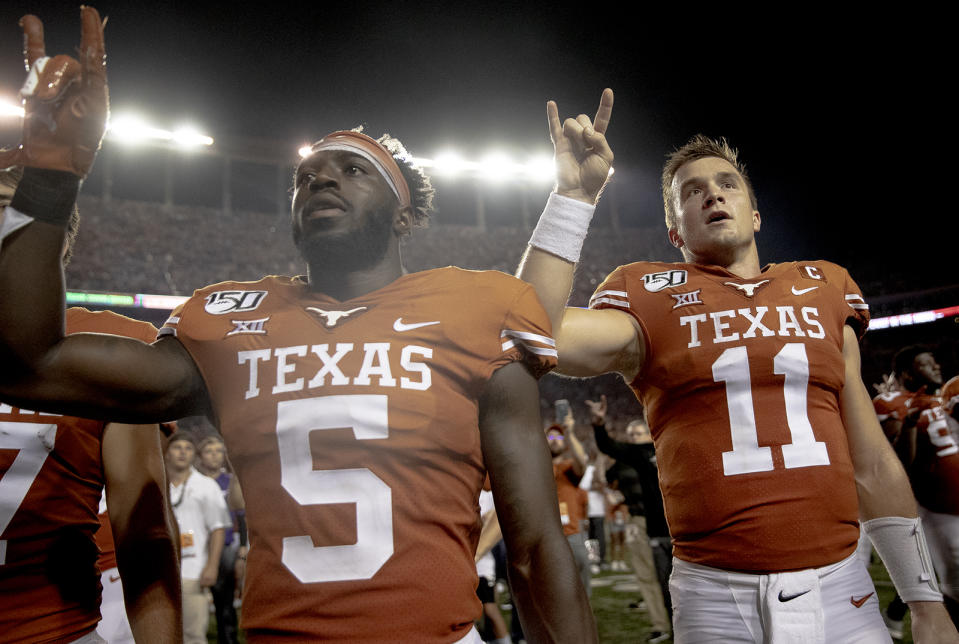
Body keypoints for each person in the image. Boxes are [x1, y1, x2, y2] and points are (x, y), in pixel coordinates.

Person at [0, 8, 596, 643]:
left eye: (352, 170)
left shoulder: (476, 311)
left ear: (403, 217)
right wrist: (52, 172)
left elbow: (534, 545)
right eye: (305, 178)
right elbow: (30, 364)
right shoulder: (230, 322)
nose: (320, 180)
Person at [514, 89, 959, 642]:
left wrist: (925, 601)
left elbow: (870, 460)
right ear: (675, 231)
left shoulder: (822, 287)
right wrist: (573, 197)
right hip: (718, 600)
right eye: (691, 192)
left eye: (727, 184)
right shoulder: (648, 294)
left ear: (754, 212)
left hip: (843, 588)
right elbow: (530, 331)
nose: (712, 195)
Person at [0, 167, 181, 642]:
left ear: (56, 240)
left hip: (54, 630)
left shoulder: (112, 346)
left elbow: (145, 533)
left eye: (14, 213)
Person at [874, 347, 959, 632]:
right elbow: (900, 463)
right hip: (939, 507)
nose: (935, 366)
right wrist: (910, 420)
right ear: (908, 373)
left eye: (934, 360)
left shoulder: (949, 393)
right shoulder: (891, 403)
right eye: (925, 363)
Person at [587, 398, 671, 643]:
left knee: (676, 579)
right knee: (648, 575)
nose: (634, 436)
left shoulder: (660, 449)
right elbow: (607, 452)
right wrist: (599, 424)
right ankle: (660, 624)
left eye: (638, 432)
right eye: (631, 433)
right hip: (642, 521)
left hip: (672, 522)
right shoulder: (628, 459)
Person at [166, 431, 231, 644]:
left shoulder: (206, 485)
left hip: (193, 569)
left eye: (188, 448)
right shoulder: (159, 484)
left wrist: (212, 566)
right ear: (166, 453)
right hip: (162, 572)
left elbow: (218, 528)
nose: (183, 452)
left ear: (194, 455)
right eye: (177, 447)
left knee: (193, 634)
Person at [195, 435, 247, 644]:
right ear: (200, 456)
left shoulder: (229, 481)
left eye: (219, 451)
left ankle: (229, 639)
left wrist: (243, 545)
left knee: (225, 600)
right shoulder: (193, 482)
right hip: (197, 547)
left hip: (225, 544)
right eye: (209, 451)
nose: (215, 455)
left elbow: (241, 515)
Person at [545, 417, 591, 598]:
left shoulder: (568, 467)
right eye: (550, 437)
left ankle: (584, 625)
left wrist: (569, 432)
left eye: (559, 437)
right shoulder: (538, 468)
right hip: (546, 536)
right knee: (553, 592)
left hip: (571, 533)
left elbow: (582, 461)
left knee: (581, 589)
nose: (556, 440)